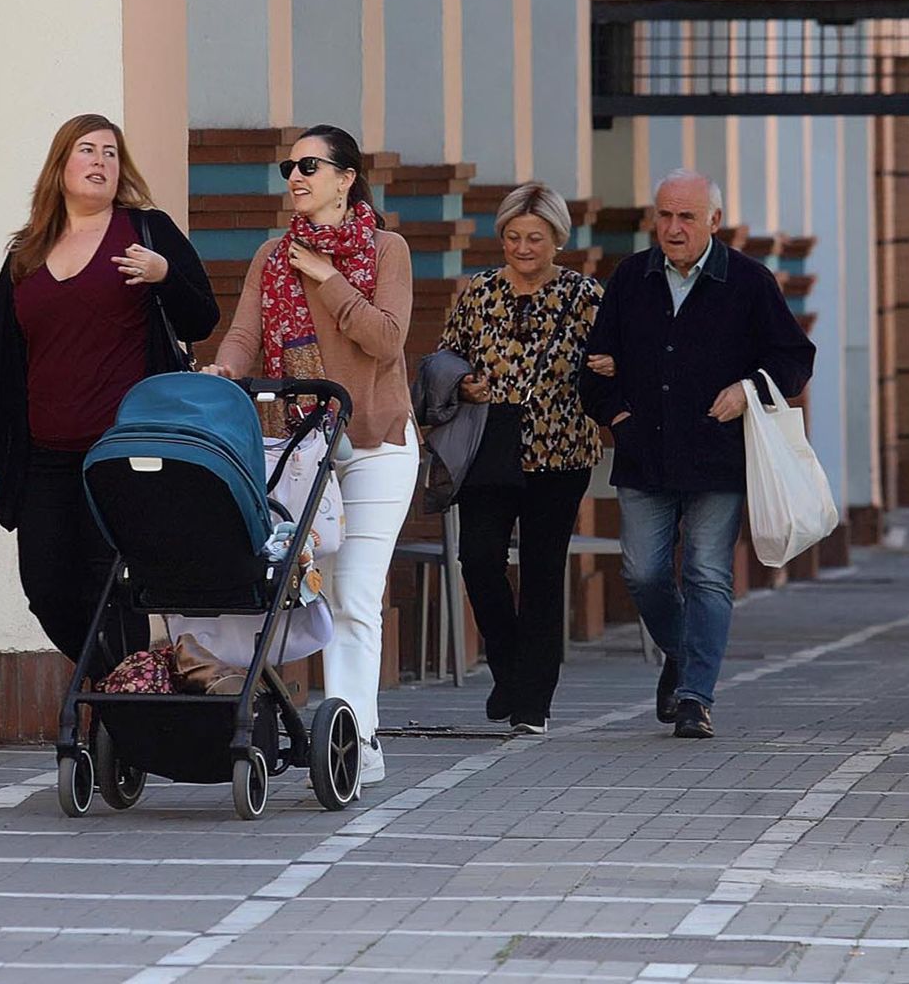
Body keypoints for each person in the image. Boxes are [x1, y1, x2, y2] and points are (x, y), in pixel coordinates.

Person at [0, 113, 218, 666]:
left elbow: (202, 318)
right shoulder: (24, 256)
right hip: (44, 458)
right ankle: (117, 689)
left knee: (114, 587)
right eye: (87, 150)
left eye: (110, 152)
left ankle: (122, 721)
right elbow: (1, 364)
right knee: (47, 587)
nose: (101, 161)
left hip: (123, 451)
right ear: (60, 167)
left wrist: (164, 276)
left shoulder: (146, 233)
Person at [206, 124, 415, 784]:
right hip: (298, 446)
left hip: (377, 445)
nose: (294, 176)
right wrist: (225, 370)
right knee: (296, 591)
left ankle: (356, 741)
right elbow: (245, 331)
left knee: (354, 594)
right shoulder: (273, 254)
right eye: (287, 166)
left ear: (346, 177)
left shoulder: (388, 248)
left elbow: (386, 339)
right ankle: (303, 726)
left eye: (308, 165)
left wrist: (327, 279)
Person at [579, 169, 814, 740]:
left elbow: (794, 359)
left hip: (717, 459)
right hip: (644, 455)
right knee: (643, 572)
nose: (673, 227)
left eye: (687, 216)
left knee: (709, 573)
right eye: (664, 215)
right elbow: (594, 367)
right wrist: (619, 417)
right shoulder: (631, 277)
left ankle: (695, 696)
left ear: (714, 221)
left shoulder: (749, 281)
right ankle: (684, 654)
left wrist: (749, 388)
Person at [436, 183, 602, 735]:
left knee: (542, 569)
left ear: (558, 238)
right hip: (491, 445)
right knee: (478, 558)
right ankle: (509, 670)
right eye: (512, 237)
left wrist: (609, 370)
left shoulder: (585, 296)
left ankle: (533, 701)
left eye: (535, 237)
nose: (523, 247)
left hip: (563, 449)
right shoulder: (479, 291)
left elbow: (615, 357)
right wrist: (464, 384)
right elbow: (446, 357)